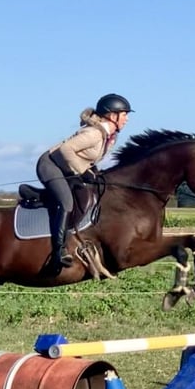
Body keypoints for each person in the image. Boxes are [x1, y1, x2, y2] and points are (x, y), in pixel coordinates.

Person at [36, 93, 133, 273]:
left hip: (67, 167)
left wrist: (93, 172)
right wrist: (83, 171)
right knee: (67, 202)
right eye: (125, 114)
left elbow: (86, 159)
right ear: (113, 116)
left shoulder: (109, 136)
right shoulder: (94, 134)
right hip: (50, 165)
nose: (127, 119)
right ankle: (59, 251)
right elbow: (66, 150)